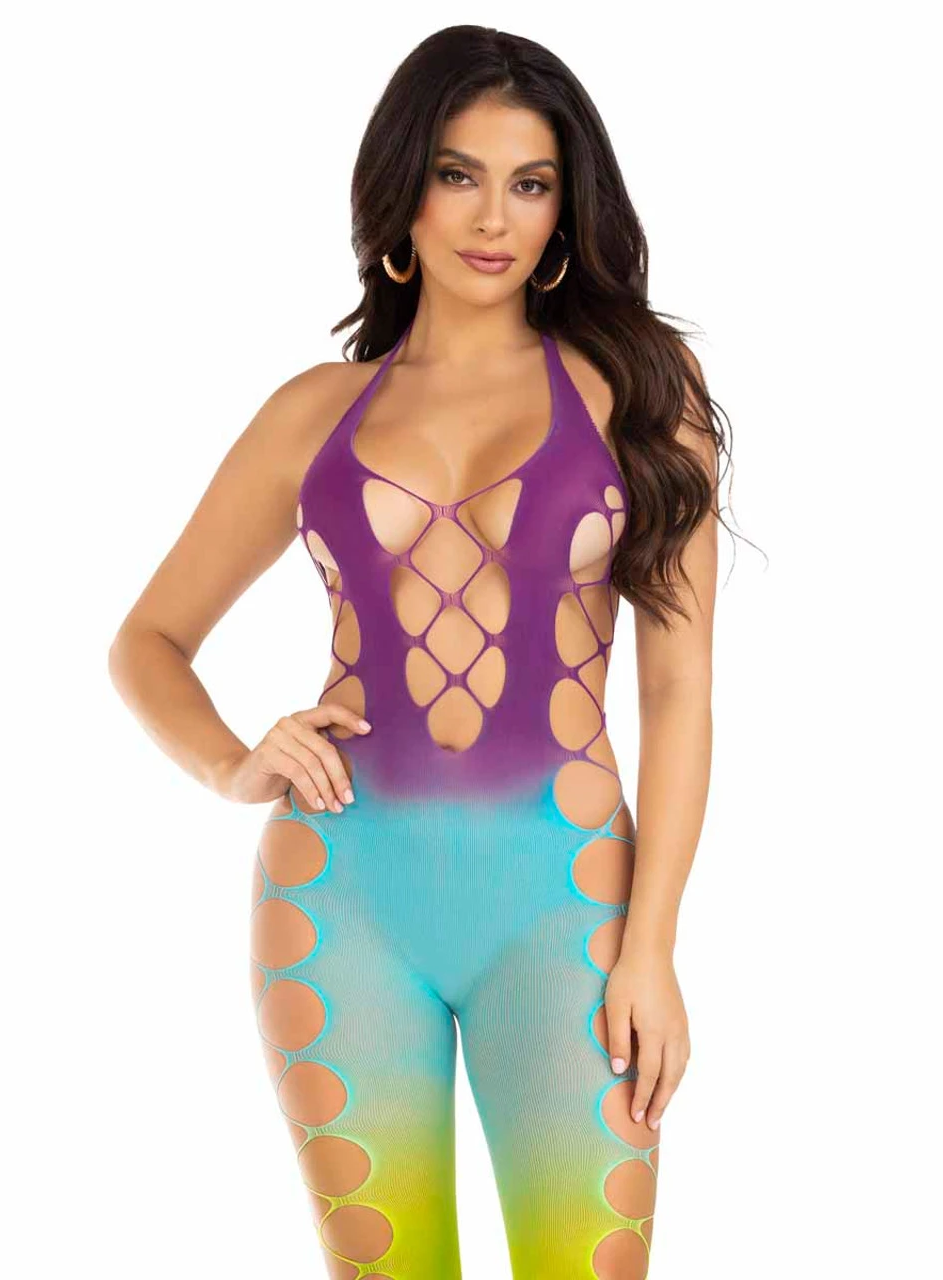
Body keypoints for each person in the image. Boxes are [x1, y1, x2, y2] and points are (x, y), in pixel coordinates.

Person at [109, 24, 729, 1280]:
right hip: (337, 901)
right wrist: (234, 762)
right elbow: (147, 640)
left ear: (566, 208)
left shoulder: (638, 393)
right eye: (459, 175)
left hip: (571, 909)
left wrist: (653, 943)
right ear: (405, 190)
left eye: (530, 182)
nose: (493, 217)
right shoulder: (315, 413)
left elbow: (677, 686)